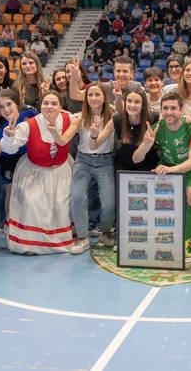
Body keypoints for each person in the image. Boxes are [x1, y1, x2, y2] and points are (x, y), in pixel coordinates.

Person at [0, 90, 75, 254]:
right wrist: (9, 136)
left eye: (54, 103)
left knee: (62, 204)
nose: (49, 106)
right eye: (46, 103)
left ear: (61, 106)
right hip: (35, 171)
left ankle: (62, 238)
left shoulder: (69, 118)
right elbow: (10, 149)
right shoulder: (29, 125)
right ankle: (31, 243)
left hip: (61, 170)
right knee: (32, 202)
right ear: (40, 105)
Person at [133, 92, 191, 238]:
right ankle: (163, 234)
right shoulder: (157, 128)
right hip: (167, 165)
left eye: (173, 108)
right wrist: (146, 146)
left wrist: (170, 169)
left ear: (181, 110)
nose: (169, 112)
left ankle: (188, 238)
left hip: (188, 168)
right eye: (165, 108)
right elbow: (136, 159)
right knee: (163, 201)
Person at [63, 83, 117, 254]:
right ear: (86, 98)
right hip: (83, 161)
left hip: (105, 161)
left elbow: (123, 109)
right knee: (77, 197)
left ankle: (106, 231)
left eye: (97, 94)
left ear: (104, 97)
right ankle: (82, 237)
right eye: (90, 95)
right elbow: (65, 138)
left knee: (109, 201)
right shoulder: (79, 117)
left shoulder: (112, 116)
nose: (93, 98)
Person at [0, 89, 37, 232]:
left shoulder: (30, 113)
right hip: (8, 161)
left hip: (30, 157)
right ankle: (9, 223)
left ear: (16, 103)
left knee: (32, 191)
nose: (6, 109)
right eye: (1, 107)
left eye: (9, 104)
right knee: (10, 191)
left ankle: (32, 223)